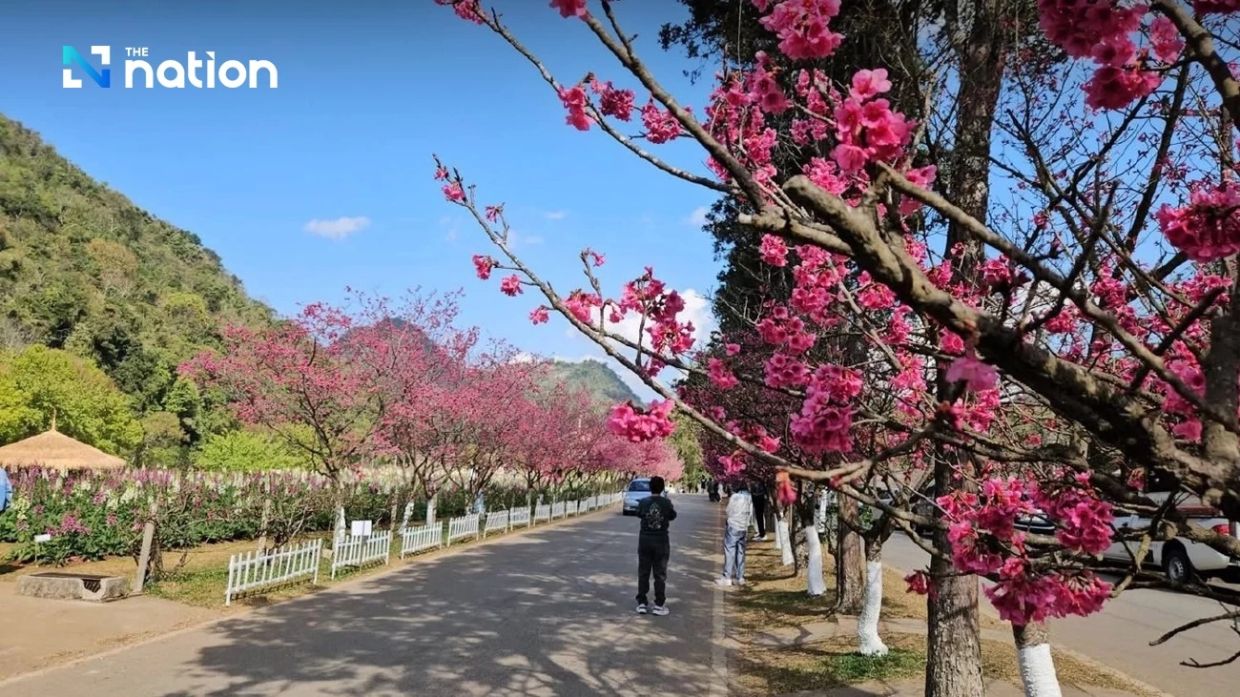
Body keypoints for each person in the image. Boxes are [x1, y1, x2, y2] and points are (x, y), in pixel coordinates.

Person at [635, 475, 677, 616]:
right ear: (663, 488)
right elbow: (672, 516)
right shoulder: (666, 503)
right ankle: (659, 604)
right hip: (661, 541)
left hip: (645, 540)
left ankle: (642, 603)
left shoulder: (643, 502)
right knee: (660, 574)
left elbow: (638, 514)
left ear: (650, 487)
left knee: (643, 572)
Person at [717, 481, 752, 587]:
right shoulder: (749, 497)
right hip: (743, 528)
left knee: (730, 551)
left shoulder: (735, 497)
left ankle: (727, 577)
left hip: (733, 526)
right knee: (741, 552)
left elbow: (728, 511)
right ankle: (740, 577)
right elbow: (751, 513)